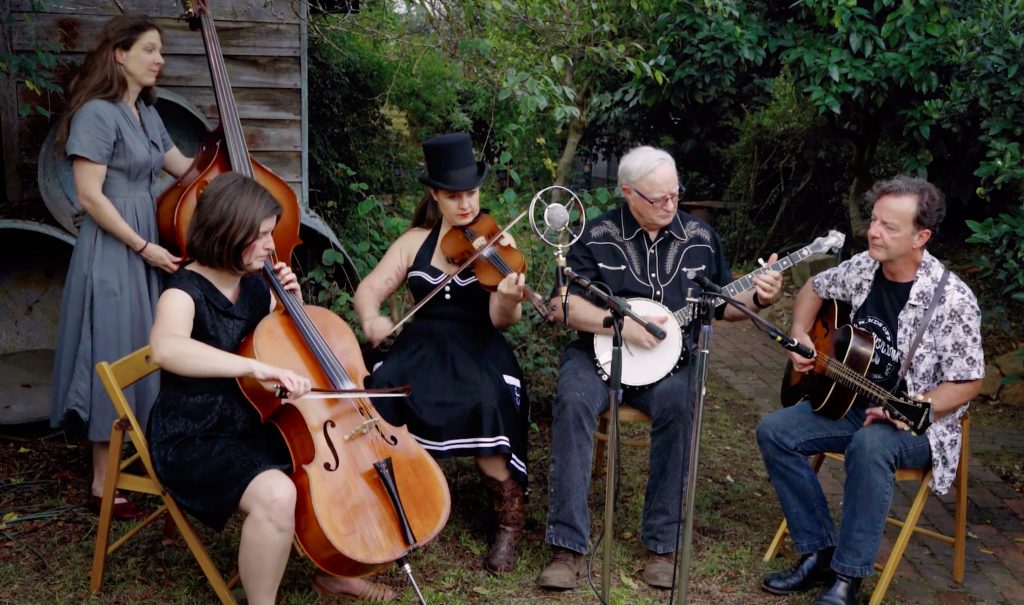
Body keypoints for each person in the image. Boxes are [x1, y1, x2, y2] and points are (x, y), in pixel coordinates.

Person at [537, 145, 783, 590]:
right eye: (659, 198)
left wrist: (761, 296)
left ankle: (663, 546)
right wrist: (619, 324)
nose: (671, 205)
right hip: (598, 352)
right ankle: (567, 547)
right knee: (573, 402)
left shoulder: (701, 239)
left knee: (681, 405)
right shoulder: (595, 236)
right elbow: (562, 306)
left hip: (670, 363)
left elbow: (723, 305)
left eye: (676, 195)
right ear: (629, 193)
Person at [147, 172, 395, 604]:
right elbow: (166, 350)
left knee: (332, 469)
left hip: (250, 421)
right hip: (193, 435)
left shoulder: (257, 287)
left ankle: (335, 567)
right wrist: (251, 367)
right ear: (228, 232)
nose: (270, 245)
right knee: (279, 494)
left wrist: (289, 308)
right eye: (260, 236)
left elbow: (277, 349)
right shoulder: (183, 293)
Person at [756, 175, 984, 605]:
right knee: (775, 430)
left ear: (922, 236)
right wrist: (802, 332)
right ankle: (819, 550)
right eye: (875, 221)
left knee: (871, 445)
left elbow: (971, 380)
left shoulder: (952, 300)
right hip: (850, 402)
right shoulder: (863, 267)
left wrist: (916, 407)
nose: (874, 232)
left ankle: (847, 578)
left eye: (889, 227)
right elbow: (813, 287)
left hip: (918, 425)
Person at [353, 133, 532, 573]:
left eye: (471, 193)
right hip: (422, 346)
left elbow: (501, 319)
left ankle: (508, 524)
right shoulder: (414, 242)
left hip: (478, 345)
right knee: (379, 395)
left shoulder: (497, 245)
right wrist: (372, 319)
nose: (466, 205)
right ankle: (395, 504)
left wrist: (509, 298)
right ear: (435, 195)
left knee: (487, 401)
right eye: (454, 196)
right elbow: (369, 290)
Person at [49, 14, 193, 521]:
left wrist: (233, 163)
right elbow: (90, 196)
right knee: (111, 347)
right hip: (115, 247)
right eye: (150, 50)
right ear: (119, 54)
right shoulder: (96, 113)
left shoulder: (146, 114)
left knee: (145, 346)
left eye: (162, 51)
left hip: (147, 238)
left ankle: (147, 462)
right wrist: (141, 246)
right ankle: (100, 483)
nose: (160, 60)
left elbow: (184, 168)